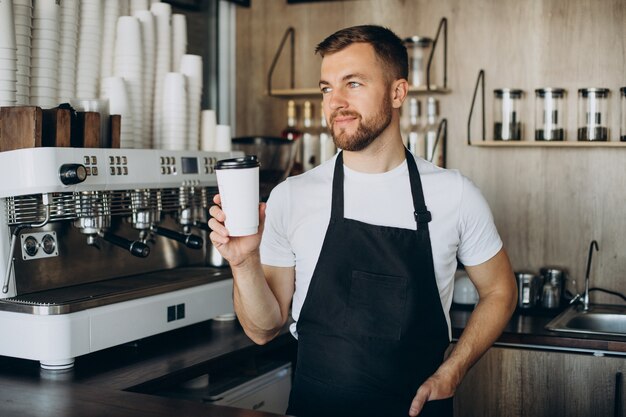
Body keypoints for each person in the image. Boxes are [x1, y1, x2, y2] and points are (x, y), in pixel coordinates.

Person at [209, 25, 517, 417]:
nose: (335, 101)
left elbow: (500, 291)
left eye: (352, 84)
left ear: (397, 92)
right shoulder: (292, 196)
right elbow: (262, 329)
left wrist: (454, 370)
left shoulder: (454, 194)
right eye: (326, 88)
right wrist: (243, 262)